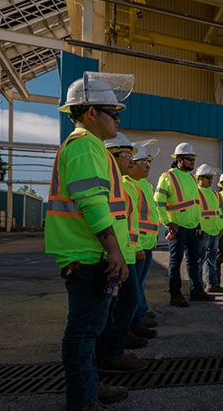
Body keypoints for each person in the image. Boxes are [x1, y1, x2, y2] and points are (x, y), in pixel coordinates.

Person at [46, 72, 132, 410]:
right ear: (91, 112)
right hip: (88, 254)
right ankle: (82, 400)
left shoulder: (92, 147)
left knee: (92, 328)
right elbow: (92, 202)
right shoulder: (83, 145)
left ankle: (91, 387)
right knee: (82, 332)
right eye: (112, 111)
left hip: (91, 253)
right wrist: (114, 251)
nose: (118, 118)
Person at [100, 134, 151, 372]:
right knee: (123, 302)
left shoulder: (120, 183)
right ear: (111, 156)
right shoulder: (110, 184)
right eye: (127, 155)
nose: (132, 161)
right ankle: (113, 354)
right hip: (116, 257)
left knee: (120, 303)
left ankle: (114, 349)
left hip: (125, 254)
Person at [154, 143, 214, 306]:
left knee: (194, 261)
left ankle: (196, 291)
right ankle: (175, 295)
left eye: (193, 159)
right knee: (176, 261)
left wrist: (199, 224)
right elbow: (158, 202)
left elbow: (195, 204)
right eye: (189, 159)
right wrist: (167, 222)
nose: (192, 162)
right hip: (178, 228)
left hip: (193, 227)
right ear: (179, 160)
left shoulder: (191, 178)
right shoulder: (167, 176)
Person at [129, 140, 159, 330]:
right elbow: (129, 220)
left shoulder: (145, 184)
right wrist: (137, 245)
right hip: (138, 243)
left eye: (149, 162)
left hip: (147, 241)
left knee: (140, 283)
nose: (148, 166)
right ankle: (135, 320)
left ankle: (140, 312)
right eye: (143, 162)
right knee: (133, 286)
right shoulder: (130, 185)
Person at [195, 164, 223, 293]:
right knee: (199, 260)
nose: (210, 180)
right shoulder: (196, 192)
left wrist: (221, 227)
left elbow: (219, 212)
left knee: (211, 259)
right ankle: (198, 287)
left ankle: (212, 284)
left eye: (211, 177)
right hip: (203, 231)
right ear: (199, 178)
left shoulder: (214, 193)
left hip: (214, 231)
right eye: (207, 177)